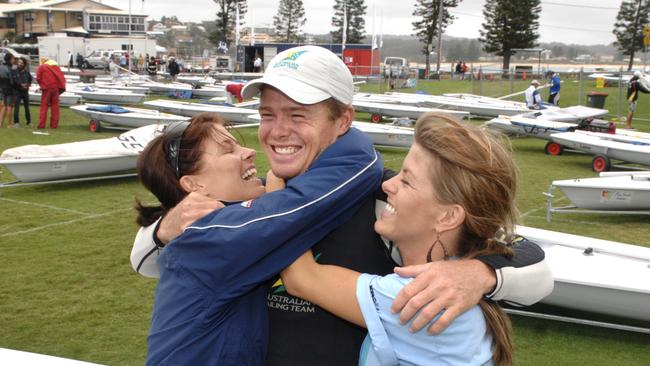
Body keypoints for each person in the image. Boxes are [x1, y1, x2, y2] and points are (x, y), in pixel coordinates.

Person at [131, 45, 552, 365]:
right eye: (267, 115)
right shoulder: (260, 201)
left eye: (297, 116)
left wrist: (478, 272)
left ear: (343, 122)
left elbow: (533, 264)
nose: (278, 132)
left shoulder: (386, 200)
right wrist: (163, 229)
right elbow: (153, 262)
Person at [140, 110, 383, 365]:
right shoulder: (213, 239)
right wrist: (338, 125)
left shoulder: (206, 233)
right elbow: (313, 199)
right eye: (227, 150)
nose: (248, 151)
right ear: (194, 185)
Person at [280, 113, 523, 365]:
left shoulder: (418, 296)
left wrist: (278, 184)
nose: (388, 185)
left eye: (406, 181)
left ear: (448, 216)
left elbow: (301, 278)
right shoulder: (459, 280)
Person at [35, 58, 66, 129]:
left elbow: (38, 77)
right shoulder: (56, 67)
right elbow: (61, 77)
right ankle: (54, 125)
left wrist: (41, 85)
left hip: (47, 88)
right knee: (55, 107)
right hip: (56, 88)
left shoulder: (42, 67)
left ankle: (41, 125)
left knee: (44, 106)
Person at [11, 57, 32, 127]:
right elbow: (13, 82)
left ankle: (29, 122)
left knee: (27, 107)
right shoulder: (14, 71)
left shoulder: (26, 72)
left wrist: (28, 85)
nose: (20, 64)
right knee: (16, 107)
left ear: (24, 64)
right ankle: (16, 122)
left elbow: (30, 79)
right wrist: (20, 85)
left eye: (21, 63)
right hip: (17, 92)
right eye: (19, 62)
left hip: (25, 92)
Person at [0, 53, 15, 128]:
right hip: (9, 89)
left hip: (2, 89)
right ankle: (9, 124)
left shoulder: (1, 66)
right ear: (9, 59)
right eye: (12, 59)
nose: (13, 60)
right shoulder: (9, 68)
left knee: (3, 106)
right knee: (9, 107)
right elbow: (12, 81)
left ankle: (0, 124)